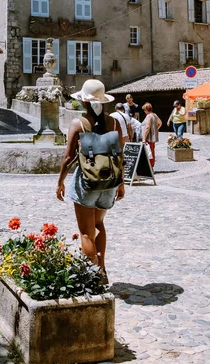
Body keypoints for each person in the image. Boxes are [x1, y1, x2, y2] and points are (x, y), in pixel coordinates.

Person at [56, 80, 125, 284]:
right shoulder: (114, 123)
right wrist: (121, 183)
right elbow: (119, 155)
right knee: (98, 224)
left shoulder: (78, 124)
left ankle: (94, 275)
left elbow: (68, 158)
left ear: (84, 102)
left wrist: (60, 182)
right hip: (109, 183)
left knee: (86, 232)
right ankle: (102, 268)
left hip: (87, 183)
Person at [142, 102, 162, 169]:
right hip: (152, 138)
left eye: (144, 110)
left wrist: (144, 138)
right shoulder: (154, 115)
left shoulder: (148, 116)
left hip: (148, 137)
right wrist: (155, 130)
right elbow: (160, 123)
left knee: (148, 153)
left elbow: (147, 127)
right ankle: (151, 167)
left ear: (146, 109)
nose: (144, 111)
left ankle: (149, 167)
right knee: (152, 152)